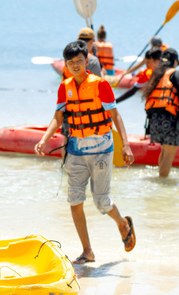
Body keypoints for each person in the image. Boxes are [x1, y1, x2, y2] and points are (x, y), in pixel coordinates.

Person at [35, 40, 136, 265]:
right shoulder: (65, 87)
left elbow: (115, 115)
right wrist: (44, 138)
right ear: (66, 65)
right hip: (76, 151)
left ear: (86, 60)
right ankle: (87, 251)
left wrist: (126, 145)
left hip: (101, 149)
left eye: (79, 61)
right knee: (75, 201)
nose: (75, 66)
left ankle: (122, 224)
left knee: (101, 202)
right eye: (71, 63)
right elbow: (58, 118)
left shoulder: (100, 85)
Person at [142, 48, 179, 178]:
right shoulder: (175, 74)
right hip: (170, 120)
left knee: (164, 152)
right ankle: (163, 184)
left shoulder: (157, 74)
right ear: (175, 61)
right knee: (169, 156)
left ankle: (160, 180)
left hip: (155, 120)